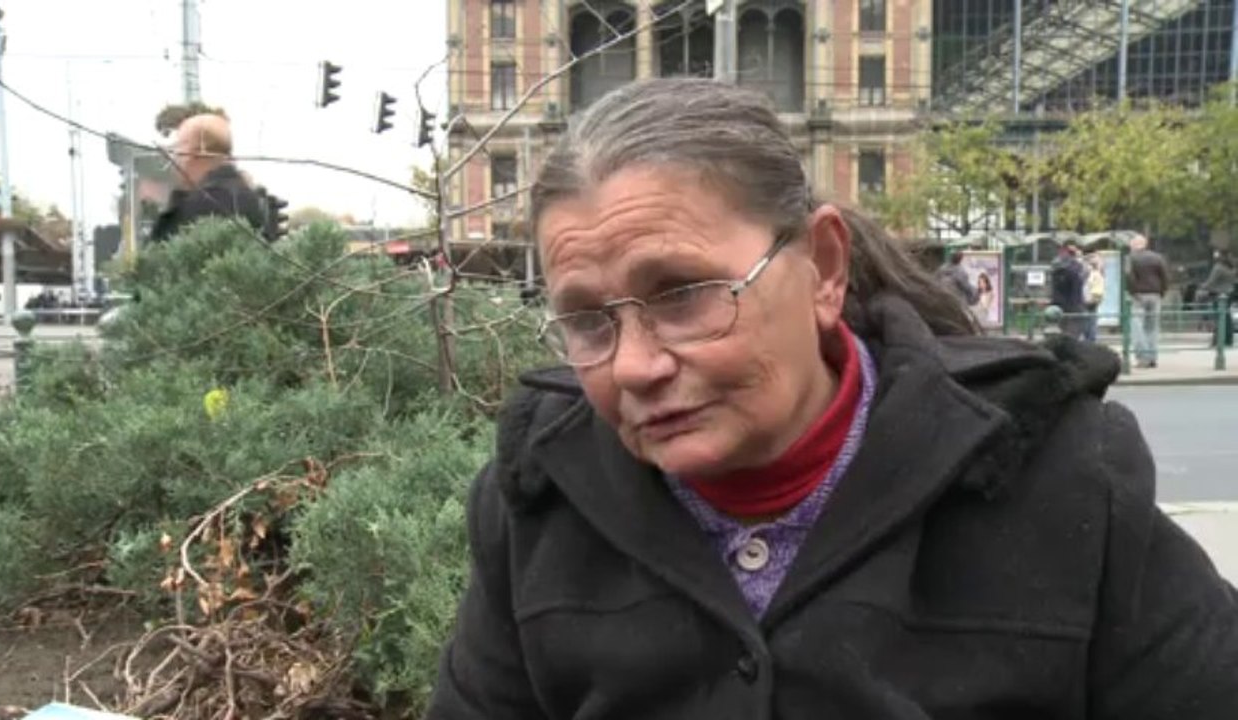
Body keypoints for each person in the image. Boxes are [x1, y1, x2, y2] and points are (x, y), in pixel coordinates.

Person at [428, 78, 1238, 719]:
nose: (635, 365)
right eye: (587, 320)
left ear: (820, 266)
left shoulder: (1059, 475)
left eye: (684, 295)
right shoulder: (536, 503)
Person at [150, 113, 267, 243]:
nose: (174, 157)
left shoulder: (197, 208)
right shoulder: (252, 200)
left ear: (195, 152)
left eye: (178, 146)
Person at [1126, 234, 1169, 368]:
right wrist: (1161, 292)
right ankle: (1152, 357)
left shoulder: (1130, 258)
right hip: (1155, 295)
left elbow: (1128, 275)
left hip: (1138, 295)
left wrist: (1133, 291)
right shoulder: (1158, 257)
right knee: (1152, 328)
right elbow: (1165, 276)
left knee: (1137, 326)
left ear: (1134, 245)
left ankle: (1143, 357)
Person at [1050, 240, 1087, 339]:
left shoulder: (1056, 265)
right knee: (1073, 333)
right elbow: (1079, 280)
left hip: (1059, 304)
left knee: (1063, 331)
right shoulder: (1074, 266)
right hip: (1074, 304)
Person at [1200, 250, 1235, 348]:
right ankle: (1228, 340)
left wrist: (1202, 287)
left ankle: (1218, 340)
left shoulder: (1218, 268)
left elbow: (1211, 282)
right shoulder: (1231, 268)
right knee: (1227, 318)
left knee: (1219, 318)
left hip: (1218, 295)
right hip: (1228, 294)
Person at [1081, 251, 1106, 342]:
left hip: (1090, 298)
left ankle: (1089, 339)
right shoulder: (1097, 272)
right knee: (1091, 319)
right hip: (1093, 298)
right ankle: (1090, 339)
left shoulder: (1094, 273)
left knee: (1089, 320)